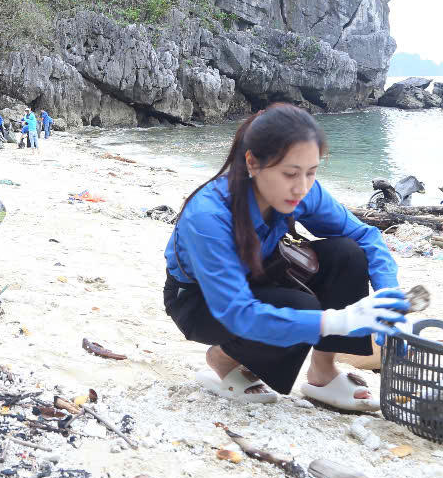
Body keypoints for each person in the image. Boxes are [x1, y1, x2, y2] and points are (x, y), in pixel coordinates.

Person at [163, 103, 408, 412]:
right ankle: (224, 358)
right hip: (200, 301)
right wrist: (339, 320)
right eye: (290, 173)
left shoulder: (303, 191)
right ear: (252, 163)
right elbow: (236, 310)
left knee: (348, 254)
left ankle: (323, 372)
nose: (302, 187)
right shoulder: (209, 216)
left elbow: (365, 235)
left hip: (265, 272)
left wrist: (388, 296)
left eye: (312, 172)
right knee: (302, 307)